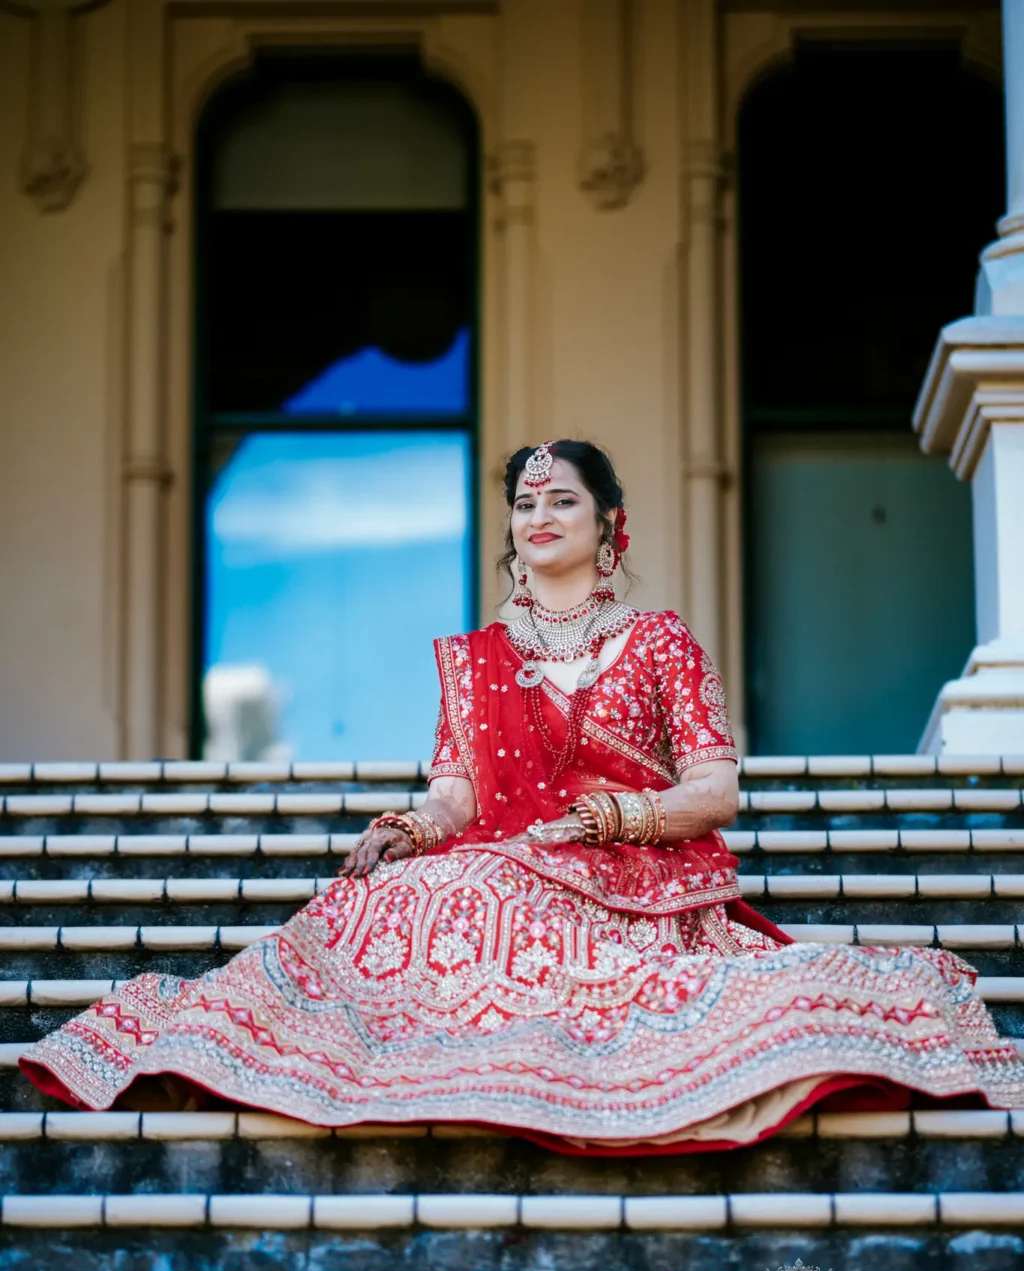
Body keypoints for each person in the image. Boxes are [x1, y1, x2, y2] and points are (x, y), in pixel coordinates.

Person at [20, 440, 1024, 1151]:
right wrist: (413, 828)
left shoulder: (660, 641)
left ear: (607, 524)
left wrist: (614, 815)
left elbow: (714, 790)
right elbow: (458, 789)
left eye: (562, 502)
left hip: (640, 885)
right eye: (526, 504)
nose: (539, 518)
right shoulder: (478, 661)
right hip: (513, 861)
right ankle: (316, 1048)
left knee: (493, 892)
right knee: (390, 895)